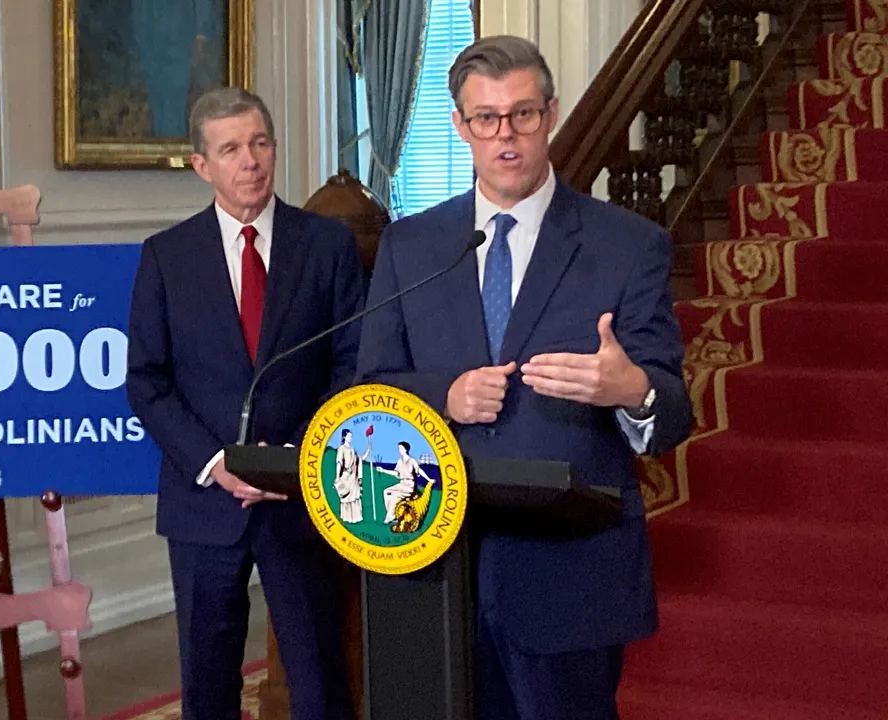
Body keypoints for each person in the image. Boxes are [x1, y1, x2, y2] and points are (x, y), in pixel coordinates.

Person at [354, 36, 694, 720]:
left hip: (568, 576)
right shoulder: (411, 245)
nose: (505, 135)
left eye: (523, 114)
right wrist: (446, 397)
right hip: (433, 567)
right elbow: (373, 390)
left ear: (552, 115)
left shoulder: (628, 246)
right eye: (487, 118)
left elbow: (673, 412)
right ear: (461, 126)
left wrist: (630, 391)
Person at [126, 86, 364, 720]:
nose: (250, 161)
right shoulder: (166, 256)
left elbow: (352, 365)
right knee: (207, 689)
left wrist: (294, 457)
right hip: (204, 501)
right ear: (202, 165)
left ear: (275, 149)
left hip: (303, 495)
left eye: (259, 143)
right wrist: (215, 463)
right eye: (231, 149)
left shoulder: (326, 246)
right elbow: (146, 381)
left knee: (320, 685)